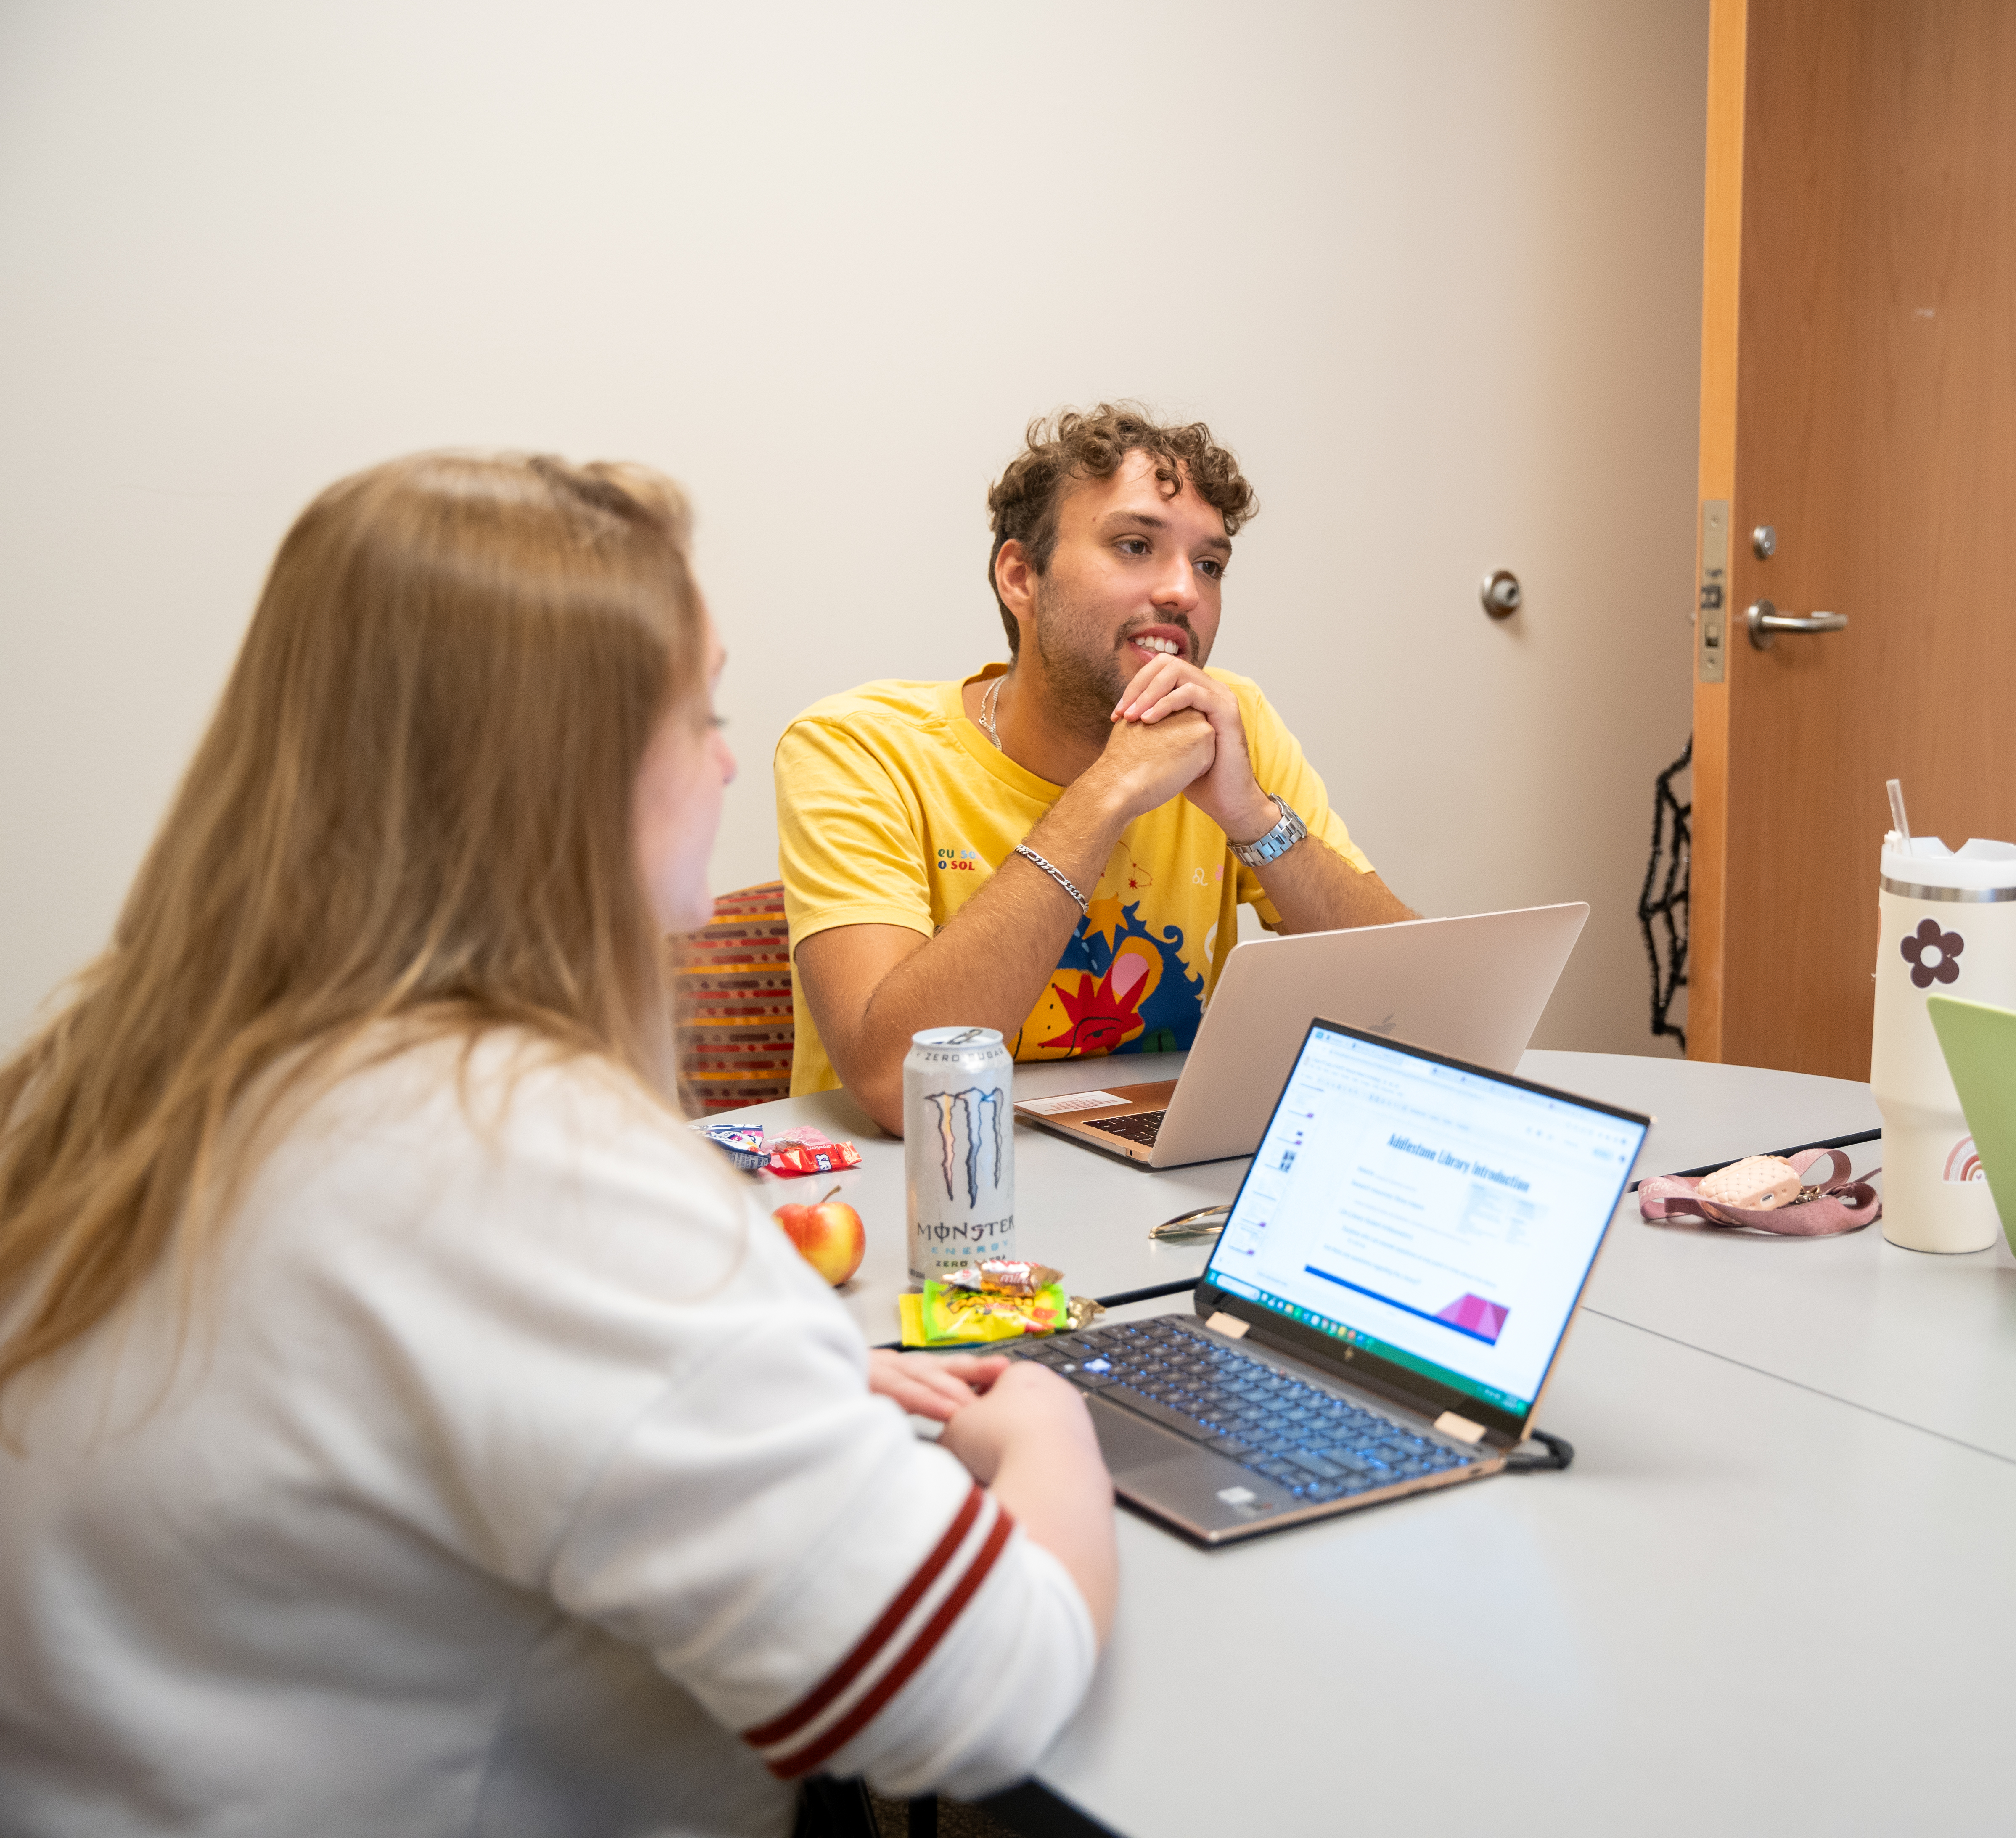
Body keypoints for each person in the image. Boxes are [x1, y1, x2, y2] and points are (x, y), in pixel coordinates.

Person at [0, 453, 1115, 1833]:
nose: (724, 757)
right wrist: (1052, 1426)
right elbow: (976, 1695)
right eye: (698, 713)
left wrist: (760, 1374)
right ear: (565, 773)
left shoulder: (110, 1065)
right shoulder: (512, 1159)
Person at [778, 404, 1414, 1130]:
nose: (1185, 592)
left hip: (1154, 1192)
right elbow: (902, 1089)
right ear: (1021, 577)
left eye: (1209, 565)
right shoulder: (859, 747)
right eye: (1136, 545)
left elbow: (1417, 1013)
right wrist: (1109, 790)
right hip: (928, 1198)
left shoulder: (1230, 723)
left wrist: (1253, 818)